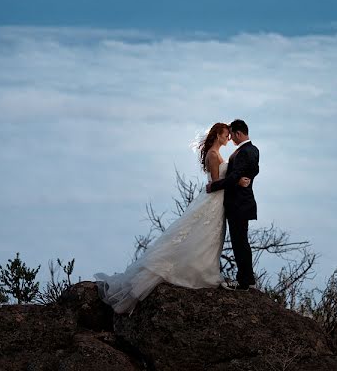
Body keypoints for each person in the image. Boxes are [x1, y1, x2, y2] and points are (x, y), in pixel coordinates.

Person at [94, 122, 252, 314]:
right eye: (226, 134)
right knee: (205, 235)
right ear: (218, 135)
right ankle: (197, 272)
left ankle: (207, 269)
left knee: (210, 237)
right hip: (213, 200)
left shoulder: (218, 153)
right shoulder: (212, 154)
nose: (228, 138)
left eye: (230, 135)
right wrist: (237, 180)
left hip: (219, 202)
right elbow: (216, 182)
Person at [206, 118, 259, 290]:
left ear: (238, 133)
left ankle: (245, 280)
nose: (231, 139)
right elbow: (247, 172)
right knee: (240, 241)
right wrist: (241, 180)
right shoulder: (247, 150)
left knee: (239, 241)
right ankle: (247, 278)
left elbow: (236, 174)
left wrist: (214, 186)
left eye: (232, 136)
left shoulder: (246, 151)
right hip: (238, 202)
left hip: (239, 203)